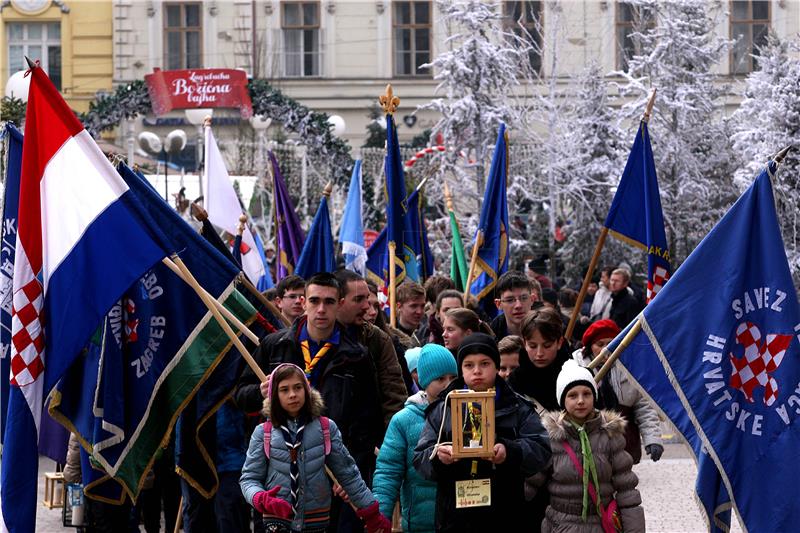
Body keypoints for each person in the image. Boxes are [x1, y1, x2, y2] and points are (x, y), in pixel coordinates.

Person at [234, 273, 384, 532]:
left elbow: (367, 421)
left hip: (329, 475)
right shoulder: (275, 346)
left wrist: (352, 468)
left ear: (339, 304)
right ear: (303, 302)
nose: (321, 309)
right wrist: (259, 392)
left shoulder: (357, 356)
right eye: (314, 301)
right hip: (278, 474)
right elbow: (240, 396)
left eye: (329, 302)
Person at [413, 333, 551, 532]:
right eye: (469, 365)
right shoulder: (444, 409)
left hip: (505, 515)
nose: (477, 371)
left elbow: (541, 450)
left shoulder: (517, 406)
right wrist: (439, 457)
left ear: (496, 366)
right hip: (456, 517)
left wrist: (509, 451)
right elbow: (420, 458)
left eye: (485, 363)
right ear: (461, 369)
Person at [240, 363, 391, 533]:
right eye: (284, 390)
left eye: (298, 387)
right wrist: (260, 498)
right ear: (274, 394)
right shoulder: (263, 433)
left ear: (306, 390)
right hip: (277, 522)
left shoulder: (326, 428)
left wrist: (372, 513)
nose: (292, 395)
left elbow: (348, 475)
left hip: (316, 522)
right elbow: (249, 479)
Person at [527, 360, 645, 533]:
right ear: (562, 400)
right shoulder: (551, 437)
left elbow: (627, 491)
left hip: (601, 523)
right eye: (573, 395)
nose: (581, 401)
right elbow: (530, 483)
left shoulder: (610, 435)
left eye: (586, 394)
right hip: (561, 525)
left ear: (594, 396)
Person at [373, 344, 458, 533]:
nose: (448, 384)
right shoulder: (403, 420)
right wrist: (380, 517)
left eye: (453, 378)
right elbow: (388, 472)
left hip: (460, 520)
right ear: (425, 381)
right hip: (421, 522)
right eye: (440, 378)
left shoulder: (466, 413)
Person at [573, 319, 664, 464]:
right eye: (600, 344)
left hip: (624, 440)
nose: (605, 349)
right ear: (590, 346)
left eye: (610, 343)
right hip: (588, 441)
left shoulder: (631, 368)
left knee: (624, 481)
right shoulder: (576, 368)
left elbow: (644, 406)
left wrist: (652, 439)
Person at [334, 269, 408, 430]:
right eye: (359, 299)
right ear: (338, 302)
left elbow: (394, 398)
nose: (367, 307)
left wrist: (391, 444)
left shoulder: (378, 340)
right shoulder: (308, 339)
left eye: (367, 298)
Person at [509, 308, 572, 414]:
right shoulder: (515, 380)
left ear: (559, 342)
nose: (539, 353)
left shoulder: (576, 376)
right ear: (525, 343)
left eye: (547, 346)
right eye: (532, 346)